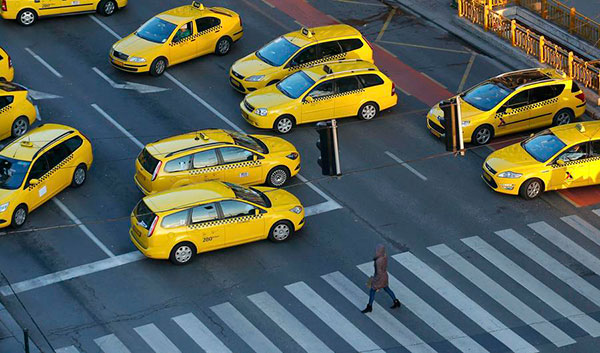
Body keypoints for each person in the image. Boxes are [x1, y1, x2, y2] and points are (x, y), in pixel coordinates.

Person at [362, 244, 401, 313]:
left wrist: (374, 280)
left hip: (379, 278)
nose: (376, 251)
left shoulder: (378, 261)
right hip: (385, 276)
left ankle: (369, 306)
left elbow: (379, 273)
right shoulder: (384, 256)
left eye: (377, 250)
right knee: (387, 288)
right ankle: (396, 301)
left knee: (372, 291)